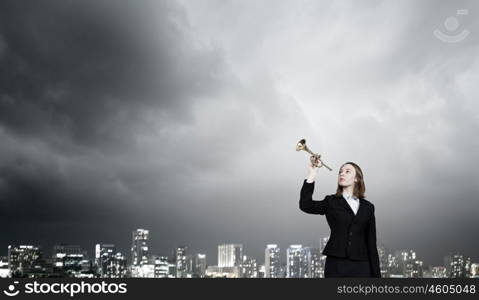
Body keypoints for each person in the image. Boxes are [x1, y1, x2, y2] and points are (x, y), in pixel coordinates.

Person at [299, 156, 381, 278]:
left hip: (362, 266)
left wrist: (376, 276)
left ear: (357, 179)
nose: (342, 174)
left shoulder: (368, 207)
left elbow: (371, 243)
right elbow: (305, 205)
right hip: (336, 265)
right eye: (340, 172)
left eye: (347, 171)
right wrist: (312, 173)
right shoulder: (331, 201)